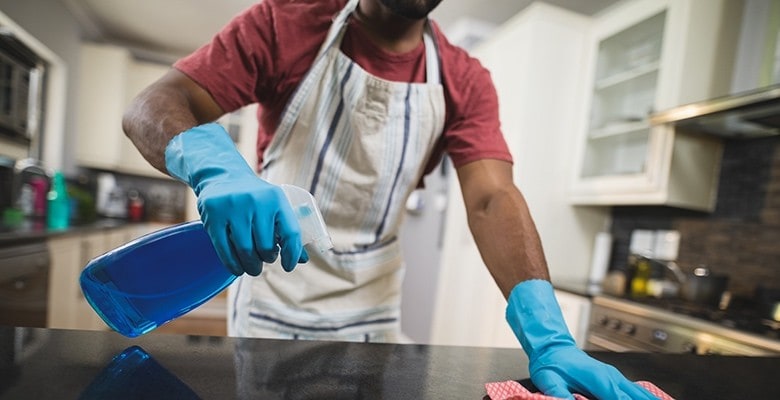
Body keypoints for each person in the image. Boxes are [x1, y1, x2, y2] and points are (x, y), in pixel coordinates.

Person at [122, 0, 657, 398]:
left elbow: (492, 196)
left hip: (373, 313)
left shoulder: (463, 78)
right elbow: (155, 103)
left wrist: (550, 336)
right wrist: (217, 170)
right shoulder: (284, 24)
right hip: (272, 306)